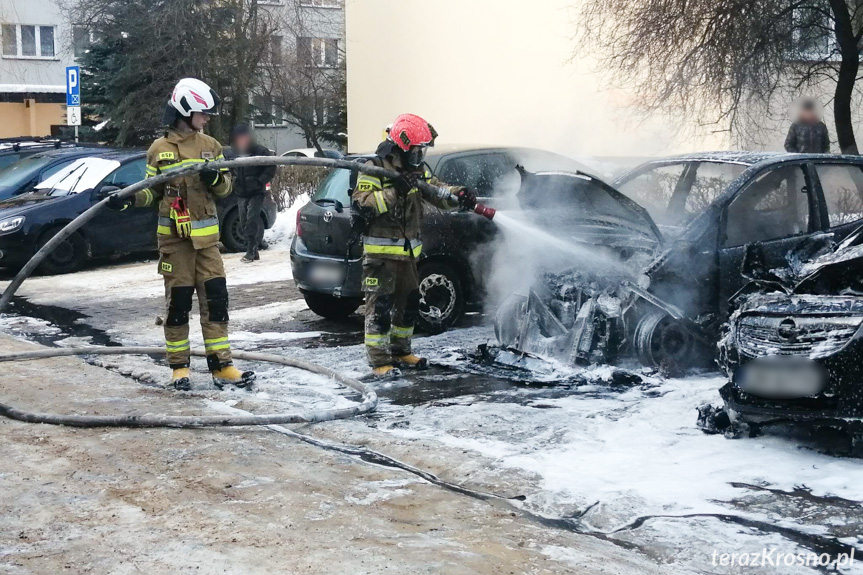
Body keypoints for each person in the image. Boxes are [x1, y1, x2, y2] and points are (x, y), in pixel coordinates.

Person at [104, 78, 255, 391]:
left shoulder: (211, 147)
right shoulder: (159, 150)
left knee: (216, 303)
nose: (207, 118)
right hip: (176, 245)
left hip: (209, 246)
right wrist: (127, 198)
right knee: (179, 305)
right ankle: (180, 369)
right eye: (203, 113)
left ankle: (222, 366)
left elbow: (226, 189)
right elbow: (151, 194)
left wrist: (215, 177)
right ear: (185, 111)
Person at [351, 113, 477, 378]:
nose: (420, 157)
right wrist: (395, 191)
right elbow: (362, 204)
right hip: (380, 257)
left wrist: (459, 195)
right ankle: (380, 362)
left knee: (408, 306)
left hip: (408, 255)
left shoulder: (415, 172)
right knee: (380, 310)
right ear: (402, 145)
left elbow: (437, 192)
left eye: (422, 152)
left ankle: (402, 351)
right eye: (416, 151)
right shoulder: (375, 167)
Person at [227, 124, 276, 262]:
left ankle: (251, 250)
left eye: (244, 137)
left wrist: (259, 181)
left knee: (252, 220)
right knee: (243, 222)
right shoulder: (233, 153)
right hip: (241, 192)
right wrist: (234, 181)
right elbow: (229, 168)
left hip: (256, 192)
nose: (242, 140)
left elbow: (271, 167)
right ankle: (253, 250)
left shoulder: (260, 151)